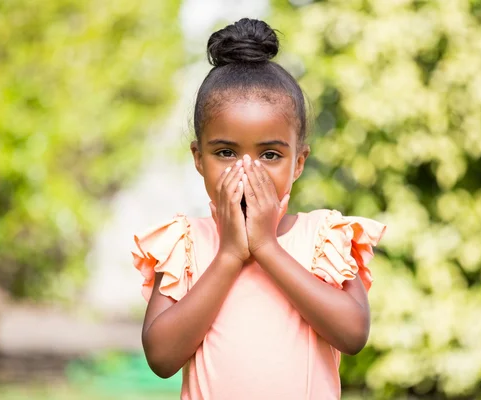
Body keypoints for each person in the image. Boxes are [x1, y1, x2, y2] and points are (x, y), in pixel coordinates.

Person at [131, 17, 386, 400]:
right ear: (198, 159)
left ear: (298, 163)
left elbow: (352, 335)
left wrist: (266, 247)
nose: (247, 170)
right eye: (225, 152)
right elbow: (162, 357)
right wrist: (231, 254)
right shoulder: (184, 244)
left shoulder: (322, 238)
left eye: (269, 154)